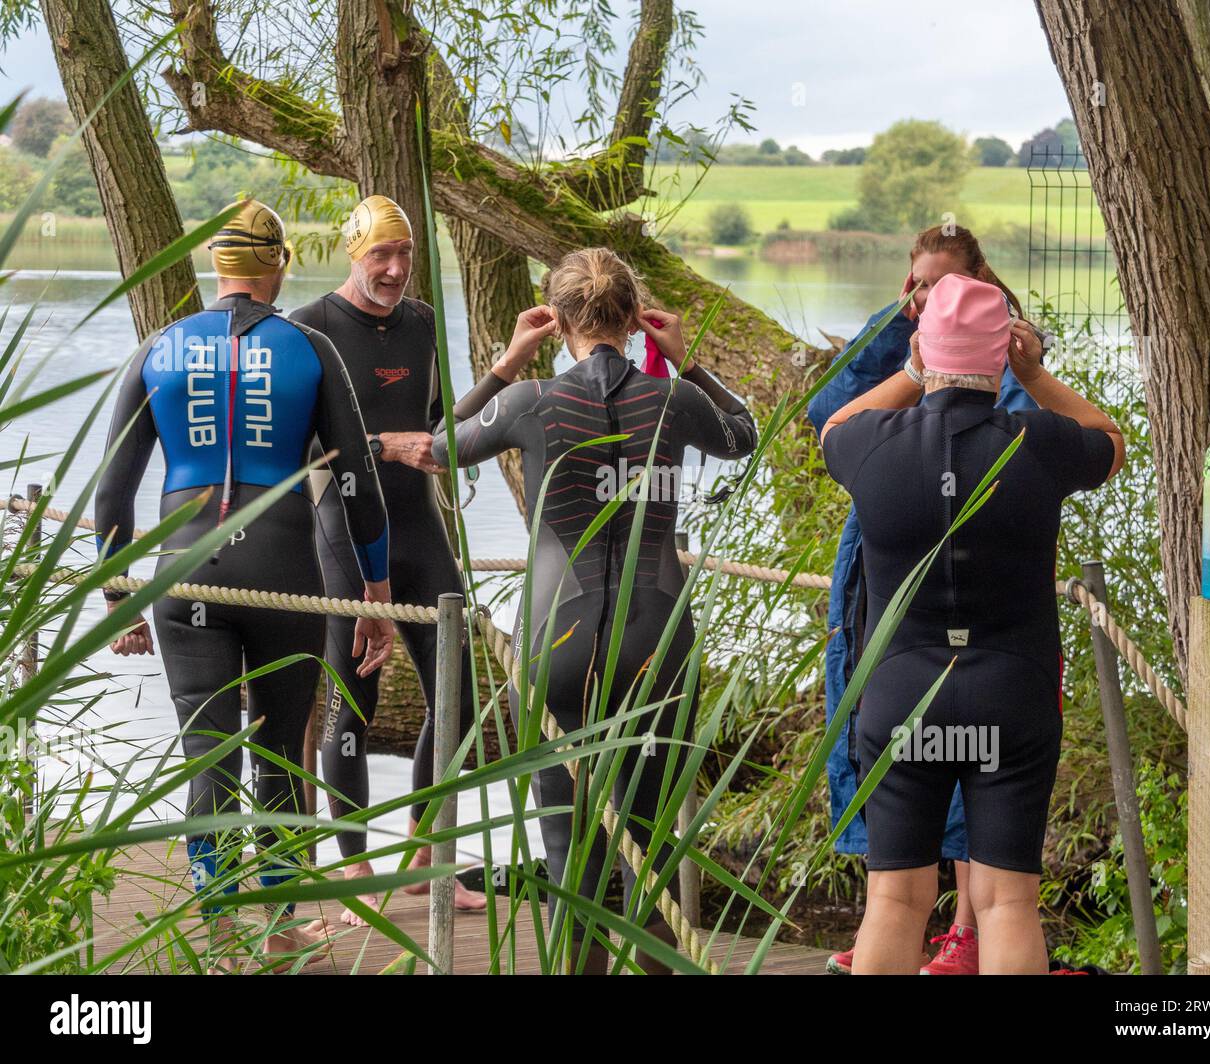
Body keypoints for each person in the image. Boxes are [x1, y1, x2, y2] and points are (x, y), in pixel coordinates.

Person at [430, 247, 757, 974]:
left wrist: (508, 364)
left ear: (558, 318)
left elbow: (437, 448)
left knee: (569, 856)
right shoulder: (674, 400)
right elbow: (744, 436)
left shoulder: (530, 401)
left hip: (559, 640)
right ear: (636, 317)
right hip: (656, 638)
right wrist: (687, 360)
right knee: (649, 849)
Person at [95, 199, 396, 971]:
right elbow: (358, 481)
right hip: (284, 571)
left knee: (207, 754)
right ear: (280, 266)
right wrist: (376, 592)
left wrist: (117, 592)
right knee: (279, 754)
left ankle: (220, 922)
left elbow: (111, 492)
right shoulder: (310, 346)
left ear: (215, 267)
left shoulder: (158, 348)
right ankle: (282, 924)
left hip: (185, 566)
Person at [820, 273, 1123, 974]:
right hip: (1010, 695)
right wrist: (1034, 375)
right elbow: (1110, 437)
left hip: (902, 697)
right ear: (1000, 354)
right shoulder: (1040, 442)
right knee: (1006, 902)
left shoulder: (871, 444)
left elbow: (831, 424)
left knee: (894, 900)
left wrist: (909, 371)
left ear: (927, 349)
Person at [808, 225, 1044, 975]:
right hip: (896, 578)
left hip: (958, 571)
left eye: (941, 286)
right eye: (916, 284)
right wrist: (901, 332)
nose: (926, 298)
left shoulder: (995, 347)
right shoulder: (902, 333)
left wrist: (925, 368)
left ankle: (966, 933)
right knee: (953, 833)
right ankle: (950, 931)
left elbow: (852, 430)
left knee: (961, 821)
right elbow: (829, 405)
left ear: (979, 282)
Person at [289, 194, 515, 922]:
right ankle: (352, 869)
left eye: (405, 255)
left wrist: (507, 369)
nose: (393, 269)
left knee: (461, 697)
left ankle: (424, 855)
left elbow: (442, 429)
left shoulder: (420, 324)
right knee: (350, 705)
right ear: (354, 254)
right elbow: (299, 450)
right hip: (343, 533)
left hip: (418, 529)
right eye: (380, 255)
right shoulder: (312, 328)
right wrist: (386, 446)